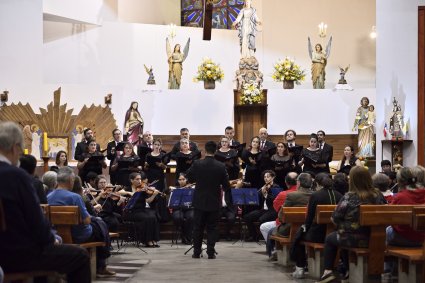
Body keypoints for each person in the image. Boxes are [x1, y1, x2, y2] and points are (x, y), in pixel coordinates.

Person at [0, 121, 91, 283]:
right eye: (20, 150)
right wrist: (51, 239)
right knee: (80, 256)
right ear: (15, 148)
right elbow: (35, 221)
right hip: (14, 254)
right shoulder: (16, 176)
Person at [317, 166, 386, 283]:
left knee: (331, 238)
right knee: (342, 236)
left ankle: (328, 272)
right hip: (376, 238)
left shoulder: (349, 196)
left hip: (353, 238)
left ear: (352, 180)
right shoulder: (378, 195)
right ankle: (347, 271)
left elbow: (334, 218)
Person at [47, 167, 116, 278]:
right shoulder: (75, 197)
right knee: (100, 224)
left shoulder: (48, 197)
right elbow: (87, 220)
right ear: (71, 180)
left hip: (58, 234)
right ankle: (101, 265)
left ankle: (101, 265)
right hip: (80, 235)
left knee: (98, 224)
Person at [291, 173, 342, 279]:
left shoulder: (315, 195)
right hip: (335, 232)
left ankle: (300, 268)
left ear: (317, 184)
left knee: (298, 238)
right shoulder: (339, 195)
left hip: (317, 235)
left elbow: (309, 219)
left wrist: (303, 230)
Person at [186, 141, 230, 259]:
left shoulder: (197, 163)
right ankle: (210, 252)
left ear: (205, 151)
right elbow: (226, 185)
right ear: (215, 151)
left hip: (199, 200)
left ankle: (196, 252)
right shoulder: (221, 166)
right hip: (214, 201)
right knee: (213, 227)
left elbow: (189, 177)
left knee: (198, 227)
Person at [382, 167, 425, 282]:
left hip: (405, 237)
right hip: (423, 238)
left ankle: (387, 272)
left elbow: (387, 217)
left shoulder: (401, 197)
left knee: (382, 233)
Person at [123, 172, 161, 247]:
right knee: (146, 218)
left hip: (142, 210)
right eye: (137, 179)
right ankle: (146, 240)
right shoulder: (127, 188)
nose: (139, 181)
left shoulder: (143, 189)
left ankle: (153, 239)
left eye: (140, 179)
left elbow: (148, 201)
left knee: (153, 217)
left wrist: (153, 194)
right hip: (131, 212)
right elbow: (120, 192)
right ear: (131, 180)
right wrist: (131, 193)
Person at [243, 170, 279, 242]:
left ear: (273, 177)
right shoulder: (264, 187)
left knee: (262, 219)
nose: (266, 178)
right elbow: (256, 197)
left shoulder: (276, 187)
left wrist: (265, 194)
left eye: (268, 177)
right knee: (247, 217)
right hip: (264, 210)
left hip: (272, 210)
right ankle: (254, 236)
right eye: (265, 177)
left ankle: (266, 236)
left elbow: (274, 199)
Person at [170, 173, 195, 245]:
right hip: (178, 209)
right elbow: (165, 191)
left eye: (183, 179)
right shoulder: (175, 189)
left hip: (189, 208)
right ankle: (183, 235)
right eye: (180, 180)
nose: (181, 181)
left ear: (186, 179)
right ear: (177, 180)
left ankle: (189, 237)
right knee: (178, 217)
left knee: (191, 217)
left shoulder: (191, 189)